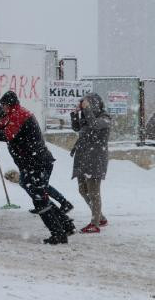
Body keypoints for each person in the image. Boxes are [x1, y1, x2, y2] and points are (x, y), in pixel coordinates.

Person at [0, 91, 75, 244]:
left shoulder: (18, 115)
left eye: (3, 105)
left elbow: (6, 135)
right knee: (37, 193)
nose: (2, 108)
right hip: (33, 163)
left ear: (8, 104)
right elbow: (2, 127)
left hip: (36, 163)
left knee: (39, 199)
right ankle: (66, 225)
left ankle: (59, 234)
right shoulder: (15, 114)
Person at [0, 106, 74, 215]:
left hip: (41, 160)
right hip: (32, 161)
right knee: (29, 183)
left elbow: (5, 134)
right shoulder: (9, 123)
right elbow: (1, 128)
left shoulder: (15, 124)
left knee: (40, 186)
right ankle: (42, 203)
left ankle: (60, 204)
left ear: (3, 116)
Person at [70, 93, 111, 234]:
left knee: (94, 193)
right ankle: (101, 217)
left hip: (95, 159)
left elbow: (94, 125)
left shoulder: (104, 118)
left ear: (95, 104)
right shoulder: (87, 118)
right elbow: (76, 128)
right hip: (83, 158)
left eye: (88, 103)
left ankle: (95, 223)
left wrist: (86, 109)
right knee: (83, 190)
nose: (85, 106)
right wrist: (75, 113)